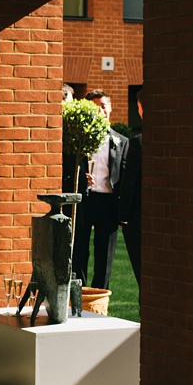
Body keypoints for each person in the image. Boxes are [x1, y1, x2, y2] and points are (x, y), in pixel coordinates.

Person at [73, 89, 129, 289]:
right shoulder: (79, 139)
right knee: (79, 252)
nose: (100, 110)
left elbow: (124, 177)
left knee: (104, 256)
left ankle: (98, 300)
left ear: (110, 108)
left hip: (108, 203)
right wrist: (82, 178)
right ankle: (77, 296)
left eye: (103, 105)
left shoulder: (122, 141)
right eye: (96, 106)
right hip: (85, 201)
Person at [116, 88, 143, 282]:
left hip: (139, 219)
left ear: (141, 108)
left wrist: (123, 215)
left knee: (143, 275)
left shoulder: (139, 143)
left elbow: (130, 182)